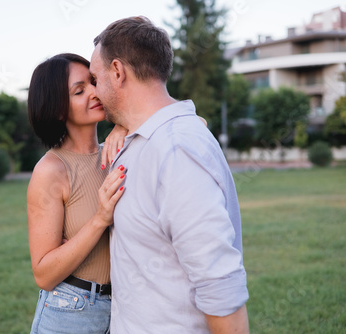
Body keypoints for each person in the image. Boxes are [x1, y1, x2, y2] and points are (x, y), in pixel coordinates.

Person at [89, 16, 250, 333]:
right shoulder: (143, 139)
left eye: (95, 78)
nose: (93, 91)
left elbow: (218, 283)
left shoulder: (176, 151)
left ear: (118, 72)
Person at [27, 53, 127, 334]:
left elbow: (192, 124)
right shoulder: (51, 170)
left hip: (124, 310)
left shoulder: (120, 148)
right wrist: (99, 219)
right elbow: (43, 274)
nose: (95, 93)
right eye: (79, 90)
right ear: (58, 108)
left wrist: (125, 124)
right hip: (71, 312)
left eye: (94, 82)